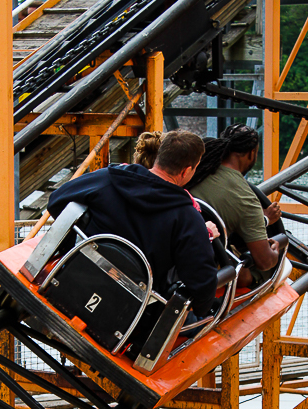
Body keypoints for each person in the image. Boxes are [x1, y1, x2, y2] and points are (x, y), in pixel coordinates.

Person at [47, 130, 219, 317]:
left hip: (71, 283)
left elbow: (55, 202)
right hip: (127, 316)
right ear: (186, 171)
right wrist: (202, 310)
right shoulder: (187, 217)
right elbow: (202, 282)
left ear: (159, 157)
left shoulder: (108, 179)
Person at [189, 124, 282, 290]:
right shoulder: (246, 198)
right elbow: (264, 261)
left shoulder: (196, 170)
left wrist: (263, 218)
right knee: (265, 272)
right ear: (252, 153)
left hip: (180, 249)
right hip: (205, 266)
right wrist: (275, 251)